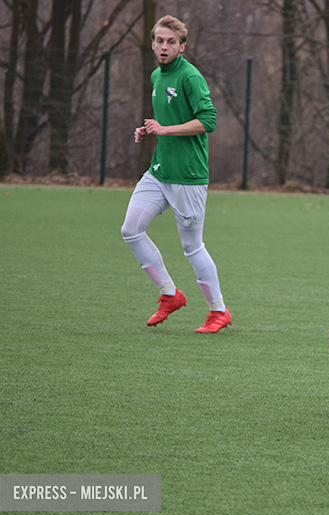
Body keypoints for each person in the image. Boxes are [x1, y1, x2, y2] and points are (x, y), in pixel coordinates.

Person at [120, 15, 231, 333]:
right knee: (131, 229)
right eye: (159, 40)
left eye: (171, 41)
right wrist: (149, 130)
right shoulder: (157, 75)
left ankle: (218, 311)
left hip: (188, 176)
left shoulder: (190, 77)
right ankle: (170, 294)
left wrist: (165, 129)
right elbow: (167, 118)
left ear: (182, 46)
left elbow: (208, 120)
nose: (164, 46)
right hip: (159, 172)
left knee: (192, 247)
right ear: (152, 43)